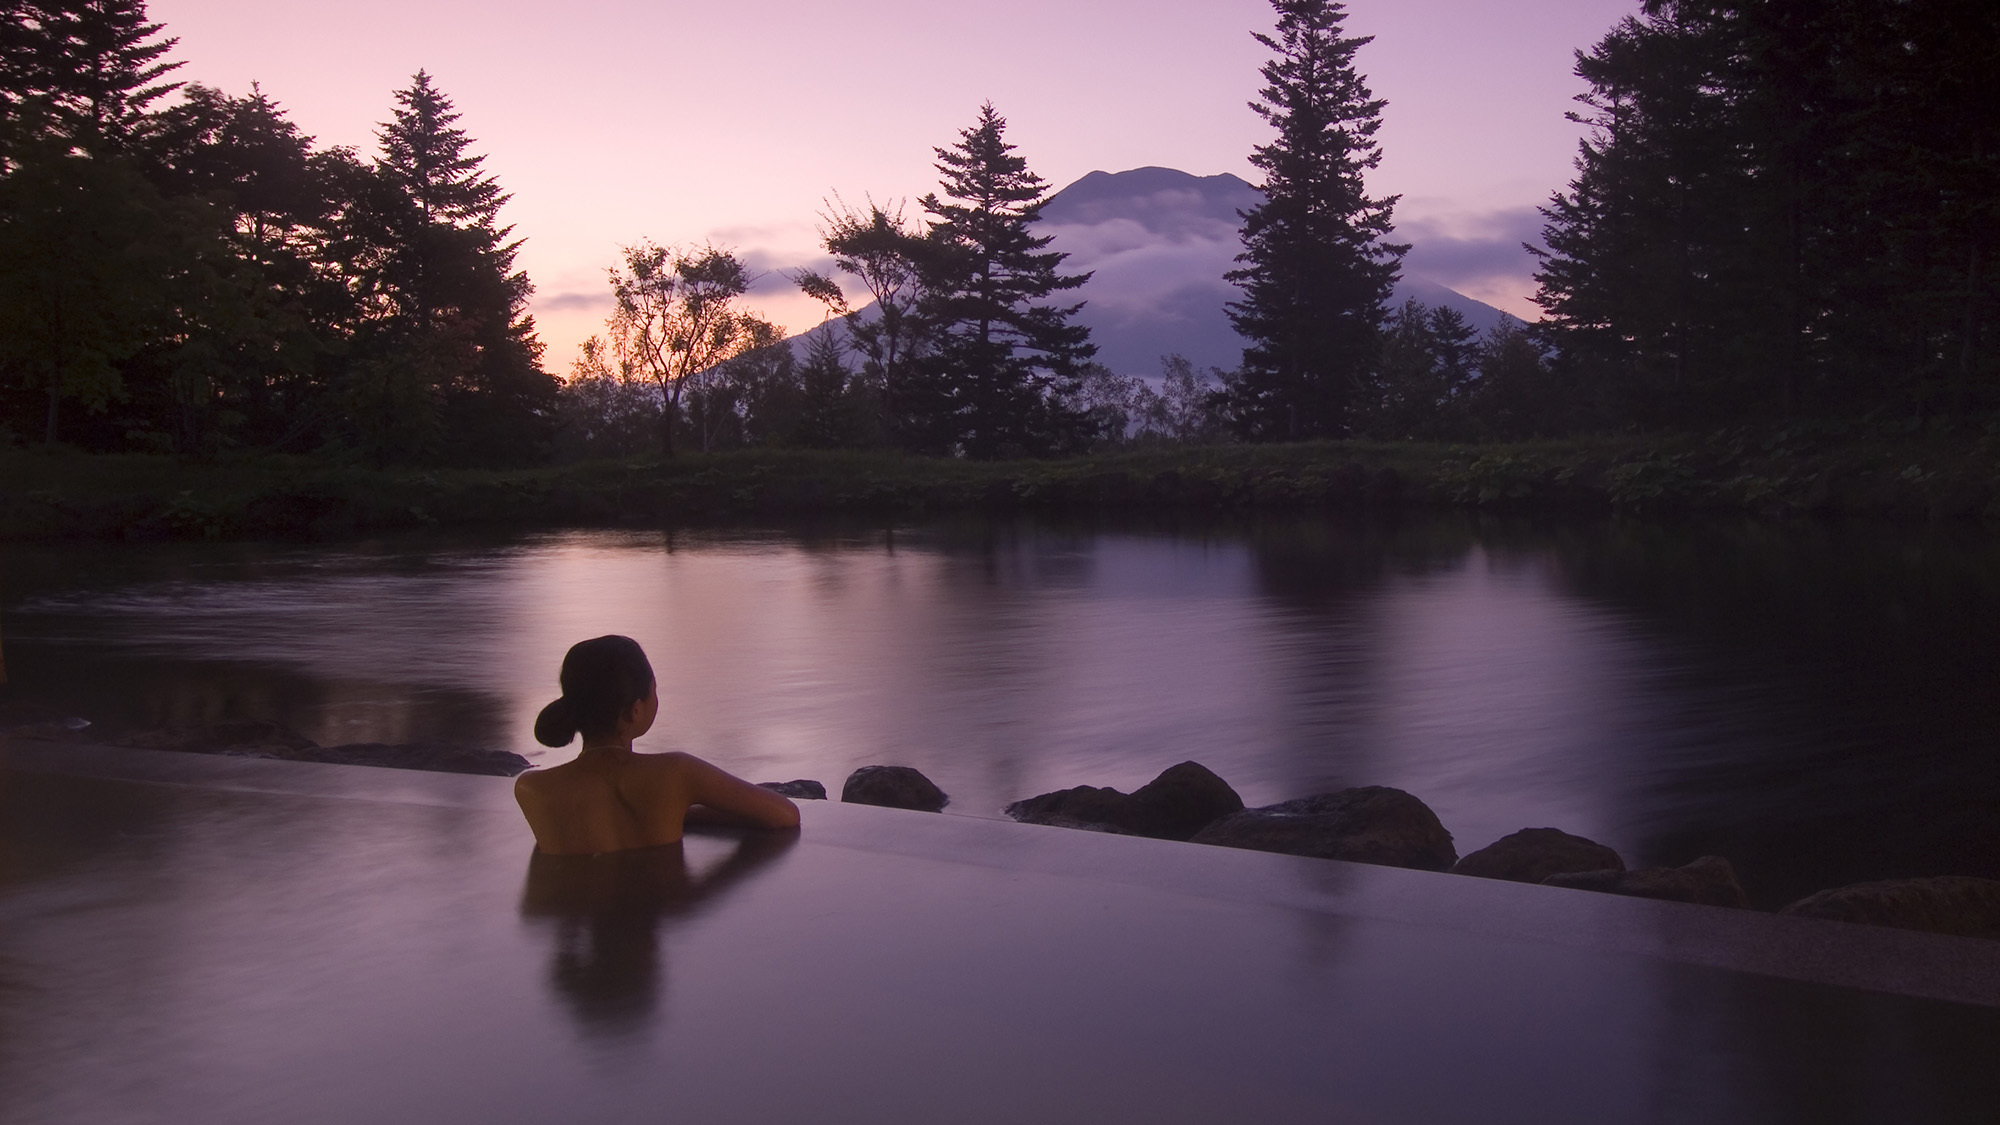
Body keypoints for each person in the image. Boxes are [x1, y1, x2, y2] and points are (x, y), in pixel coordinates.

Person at [514, 635, 800, 855]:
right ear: (634, 711)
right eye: (654, 691)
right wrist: (682, 810)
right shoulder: (675, 774)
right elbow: (784, 815)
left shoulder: (532, 790)